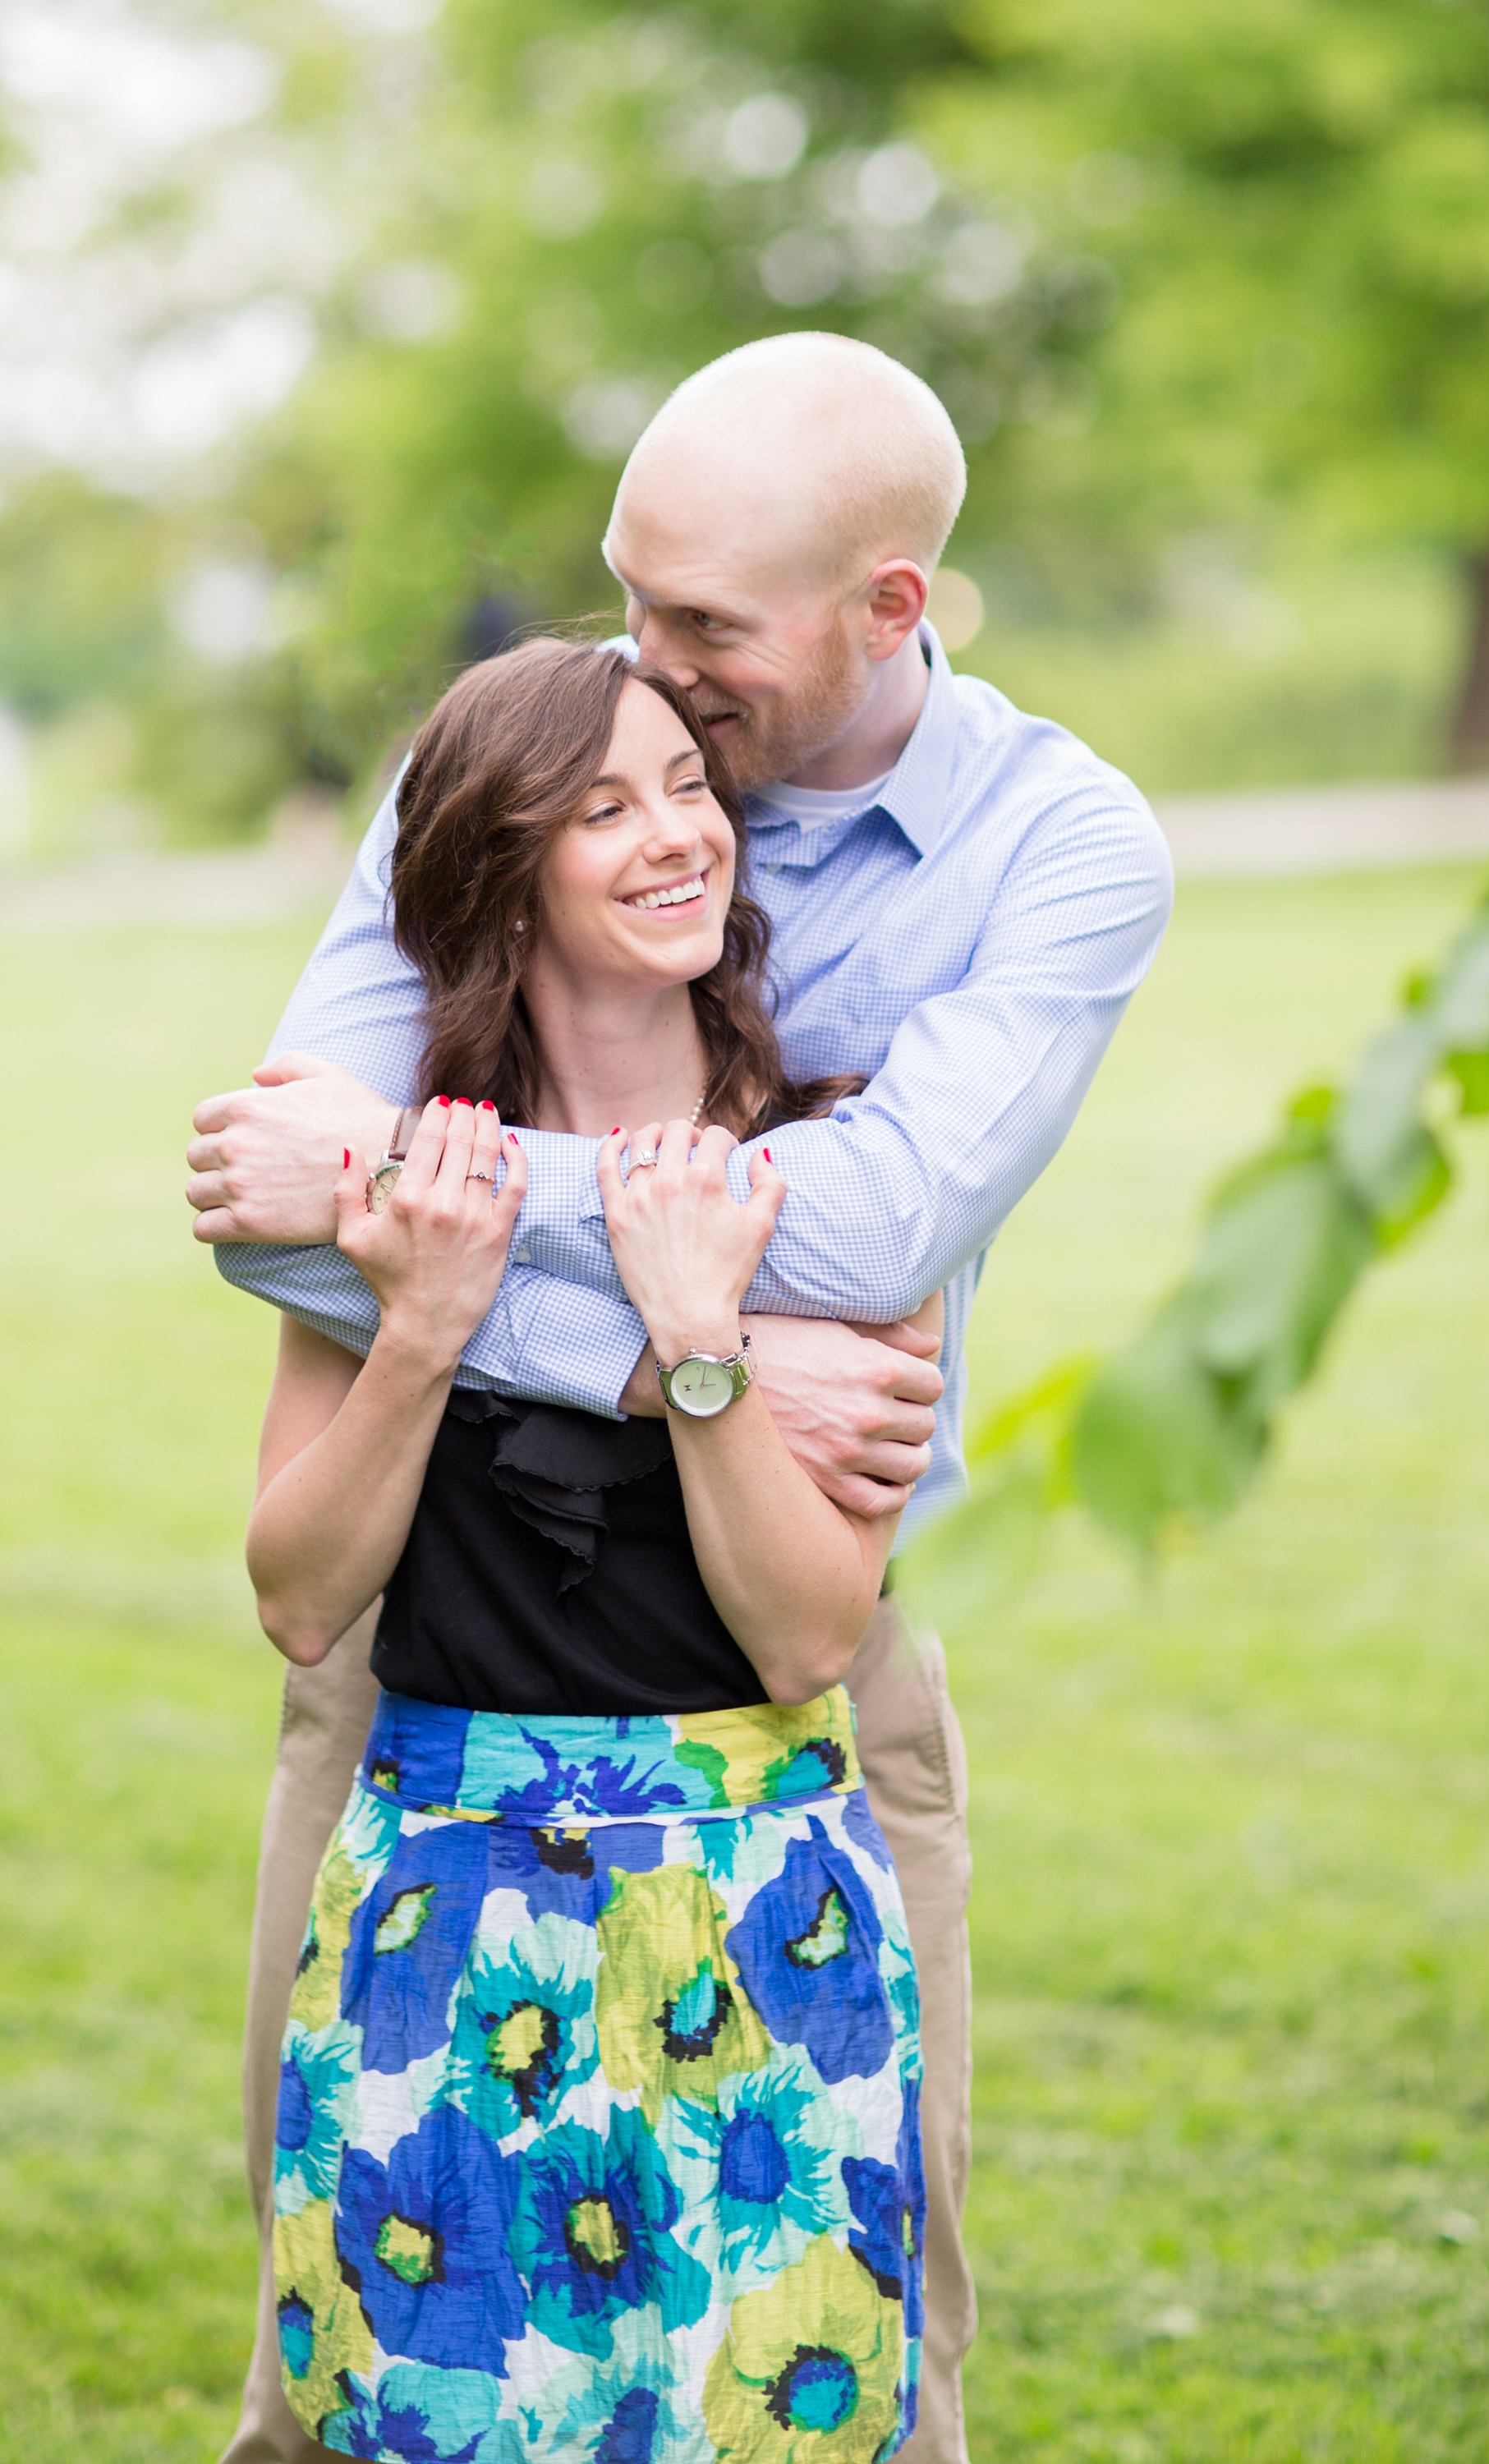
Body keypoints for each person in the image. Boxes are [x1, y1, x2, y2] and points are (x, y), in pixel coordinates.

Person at [189, 330, 1174, 2464]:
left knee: (855, 2369)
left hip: (789, 1676)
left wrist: (453, 1207)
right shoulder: (545, 745)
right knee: (344, 2360)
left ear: (887, 604)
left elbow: (878, 1225)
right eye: (629, 592)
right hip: (421, 1686)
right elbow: (275, 1211)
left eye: (702, 627)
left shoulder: (1060, 846)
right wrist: (688, 1340)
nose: (645, 664)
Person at [246, 641, 931, 2460]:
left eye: (690, 788)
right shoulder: (398, 1184)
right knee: (429, 2413)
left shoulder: (846, 1182)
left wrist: (702, 1346)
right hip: (446, 1909)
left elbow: (805, 1639)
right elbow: (301, 1595)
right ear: (495, 870)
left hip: (756, 1919)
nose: (676, 835)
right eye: (601, 806)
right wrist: (423, 1324)